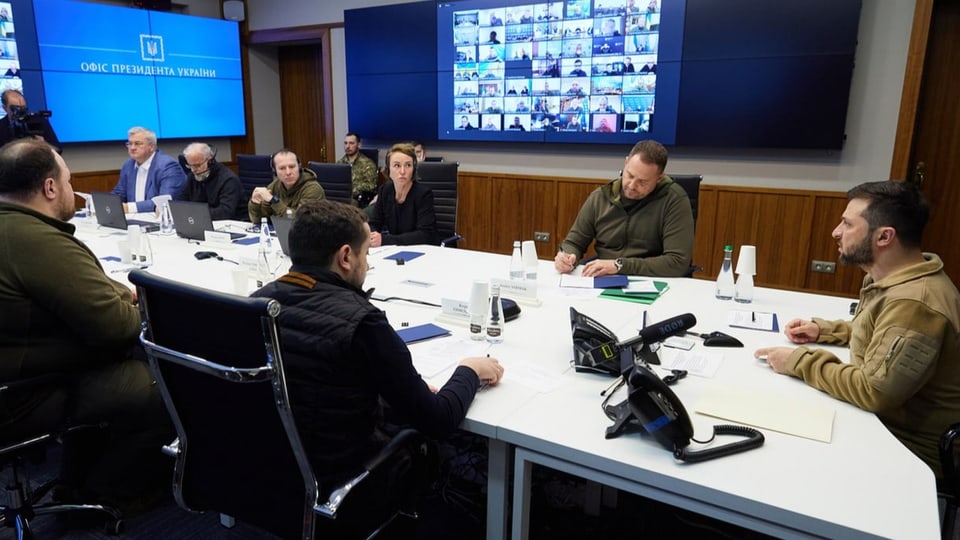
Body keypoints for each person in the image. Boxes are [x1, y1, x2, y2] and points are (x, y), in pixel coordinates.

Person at [251, 199, 503, 537]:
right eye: (365, 255)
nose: (367, 265)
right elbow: (438, 420)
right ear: (345, 257)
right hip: (345, 478)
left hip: (267, 465)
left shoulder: (257, 302)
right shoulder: (363, 322)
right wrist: (469, 370)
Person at [0, 138, 173, 509]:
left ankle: (74, 481)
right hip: (26, 393)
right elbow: (118, 328)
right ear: (49, 187)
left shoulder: (14, 231)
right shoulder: (36, 239)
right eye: (67, 181)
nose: (69, 190)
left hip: (19, 375)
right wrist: (135, 305)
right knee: (165, 386)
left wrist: (113, 294)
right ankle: (112, 491)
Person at [754, 181, 960, 479]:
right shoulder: (895, 278)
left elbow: (873, 391)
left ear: (884, 236)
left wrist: (799, 362)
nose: (836, 232)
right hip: (885, 421)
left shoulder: (915, 304)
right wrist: (825, 330)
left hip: (909, 445)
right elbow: (883, 332)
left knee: (780, 452)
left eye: (847, 224)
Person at [555, 139, 693, 277]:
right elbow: (574, 242)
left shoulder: (674, 200)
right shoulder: (601, 197)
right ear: (626, 162)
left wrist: (619, 265)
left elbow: (677, 262)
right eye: (630, 175)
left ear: (659, 178)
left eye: (642, 181)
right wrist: (566, 256)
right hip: (605, 276)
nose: (632, 185)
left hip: (650, 279)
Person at [369, 143, 438, 246]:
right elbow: (374, 223)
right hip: (394, 250)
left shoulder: (423, 194)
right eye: (397, 165)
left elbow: (425, 235)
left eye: (408, 165)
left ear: (414, 169)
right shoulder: (385, 190)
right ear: (388, 170)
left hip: (421, 251)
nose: (402, 171)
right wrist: (372, 236)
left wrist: (385, 240)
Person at [111, 126, 186, 214]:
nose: (132, 148)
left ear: (151, 147)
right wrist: (104, 202)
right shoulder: (128, 165)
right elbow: (119, 193)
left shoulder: (168, 166)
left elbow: (164, 201)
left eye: (138, 143)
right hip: (134, 221)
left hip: (158, 222)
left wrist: (128, 207)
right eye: (130, 143)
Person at [248, 149, 324, 223]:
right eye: (282, 168)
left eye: (292, 167)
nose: (288, 172)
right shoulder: (275, 186)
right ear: (275, 171)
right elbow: (257, 220)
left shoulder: (313, 189)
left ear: (299, 167)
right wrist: (255, 203)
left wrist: (274, 200)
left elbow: (301, 221)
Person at [174, 142, 243, 220]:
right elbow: (181, 202)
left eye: (197, 165)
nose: (193, 170)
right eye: (190, 166)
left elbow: (225, 212)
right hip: (203, 222)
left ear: (210, 161)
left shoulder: (229, 180)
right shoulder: (192, 177)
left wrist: (195, 214)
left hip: (232, 224)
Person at [336, 132, 378, 207]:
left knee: (350, 205)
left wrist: (353, 189)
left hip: (358, 199)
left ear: (359, 145)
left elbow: (371, 186)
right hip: (341, 196)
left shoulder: (368, 164)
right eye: (345, 143)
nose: (347, 146)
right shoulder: (339, 163)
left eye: (351, 143)